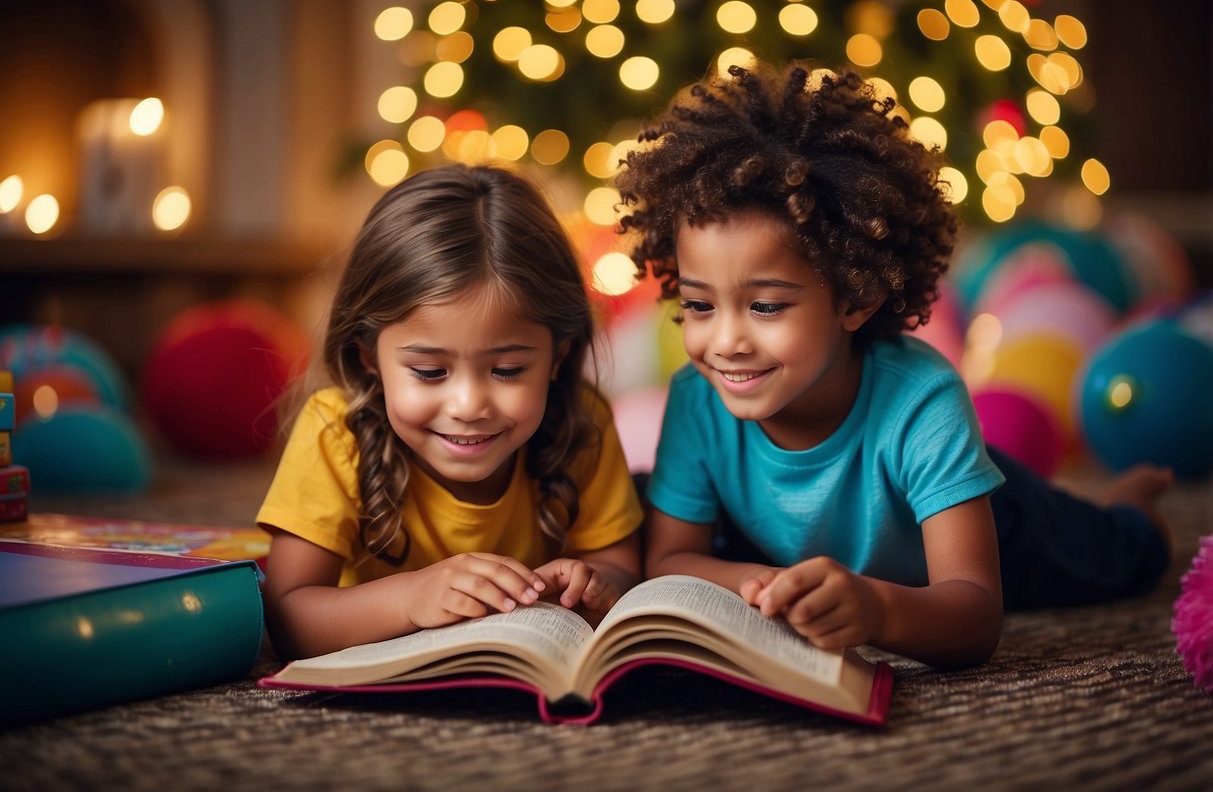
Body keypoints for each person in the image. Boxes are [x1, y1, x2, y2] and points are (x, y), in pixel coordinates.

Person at [615, 60, 1172, 669]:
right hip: (819, 550)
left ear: (856, 299)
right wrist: (768, 585)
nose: (724, 342)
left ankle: (1132, 498)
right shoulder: (698, 398)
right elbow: (669, 561)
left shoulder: (923, 402)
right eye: (699, 304)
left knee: (1124, 554)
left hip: (1011, 530)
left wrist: (877, 610)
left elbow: (978, 612)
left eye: (766, 306)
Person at [258, 163, 643, 660]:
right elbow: (289, 615)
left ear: (559, 357)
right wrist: (413, 597)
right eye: (429, 372)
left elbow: (620, 563)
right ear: (368, 356)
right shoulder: (337, 431)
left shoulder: (583, 421)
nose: (468, 406)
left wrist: (591, 581)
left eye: (506, 370)